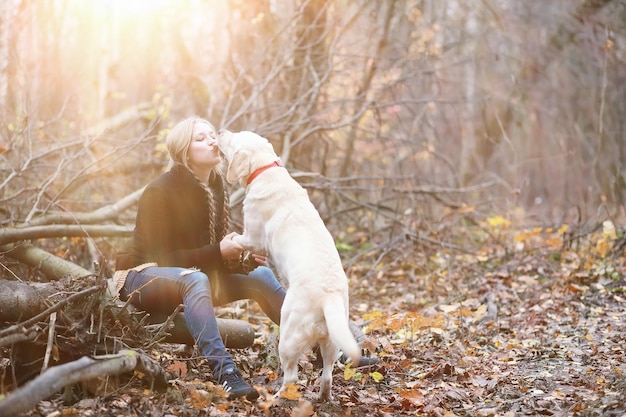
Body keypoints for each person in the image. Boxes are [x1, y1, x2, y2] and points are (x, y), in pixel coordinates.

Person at [113, 116, 376, 401]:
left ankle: (328, 349)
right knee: (195, 279)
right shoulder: (160, 191)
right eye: (200, 139)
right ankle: (225, 373)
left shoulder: (214, 186)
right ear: (183, 152)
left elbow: (208, 253)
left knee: (261, 276)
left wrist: (242, 258)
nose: (213, 141)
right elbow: (162, 257)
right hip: (141, 278)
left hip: (190, 277)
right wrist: (219, 252)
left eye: (212, 134)